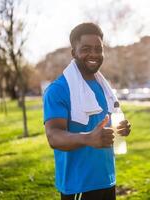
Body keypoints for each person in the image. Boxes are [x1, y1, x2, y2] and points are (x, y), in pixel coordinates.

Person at [43, 22, 131, 200]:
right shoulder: (58, 89)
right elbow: (53, 136)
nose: (94, 54)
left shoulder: (103, 87)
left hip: (107, 180)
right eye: (86, 49)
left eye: (99, 49)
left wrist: (121, 128)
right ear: (73, 52)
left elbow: (102, 125)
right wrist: (87, 138)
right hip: (78, 186)